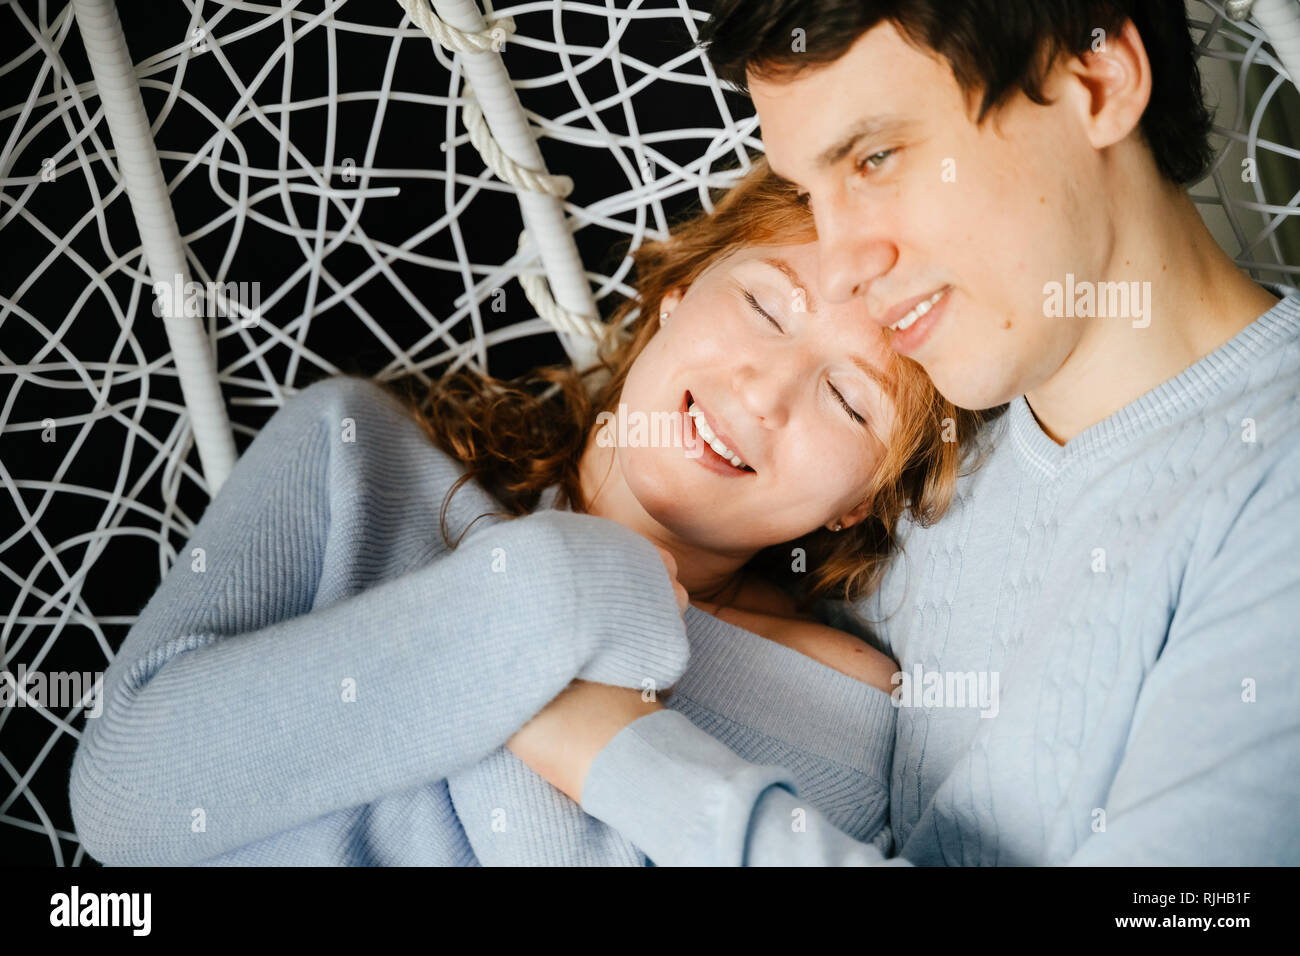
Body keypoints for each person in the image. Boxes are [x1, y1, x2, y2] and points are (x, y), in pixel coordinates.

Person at [506, 0, 1300, 865]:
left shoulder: (1271, 506)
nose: (842, 260)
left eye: (876, 158)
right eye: (811, 192)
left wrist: (617, 754)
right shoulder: (931, 428)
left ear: (1098, 81)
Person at [67, 161, 988, 865]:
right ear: (678, 295)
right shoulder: (352, 456)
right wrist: (565, 587)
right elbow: (121, 800)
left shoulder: (840, 705)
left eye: (849, 399)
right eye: (763, 306)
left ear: (861, 501)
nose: (766, 391)